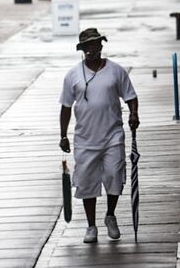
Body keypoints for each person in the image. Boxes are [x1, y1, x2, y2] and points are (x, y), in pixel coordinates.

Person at [59, 28, 139, 244]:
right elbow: (66, 107)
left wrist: (133, 113)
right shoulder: (73, 75)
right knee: (87, 183)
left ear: (101, 46)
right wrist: (63, 135)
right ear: (82, 50)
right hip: (85, 138)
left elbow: (131, 96)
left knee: (114, 175)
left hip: (113, 135)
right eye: (87, 46)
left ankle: (110, 215)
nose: (92, 49)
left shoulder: (116, 71)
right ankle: (91, 226)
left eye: (95, 45)